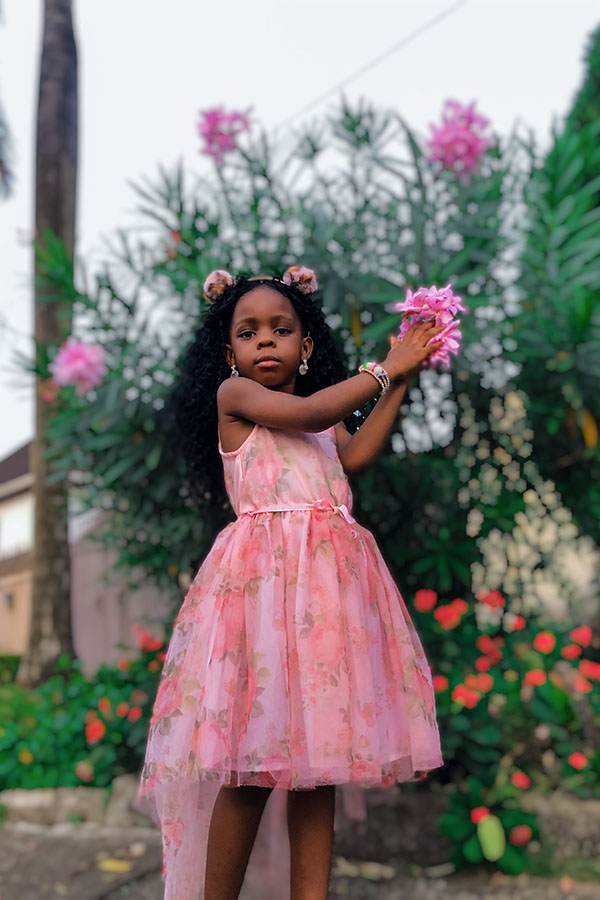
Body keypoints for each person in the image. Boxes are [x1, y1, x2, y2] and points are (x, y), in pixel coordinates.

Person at [134, 265, 446, 900]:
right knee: (250, 766)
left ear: (305, 345)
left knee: (318, 763)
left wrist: (402, 377)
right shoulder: (237, 397)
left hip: (325, 599)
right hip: (263, 596)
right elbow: (308, 411)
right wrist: (385, 366)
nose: (265, 341)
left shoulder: (325, 417)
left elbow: (354, 455)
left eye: (280, 329)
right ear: (230, 353)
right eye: (248, 333)